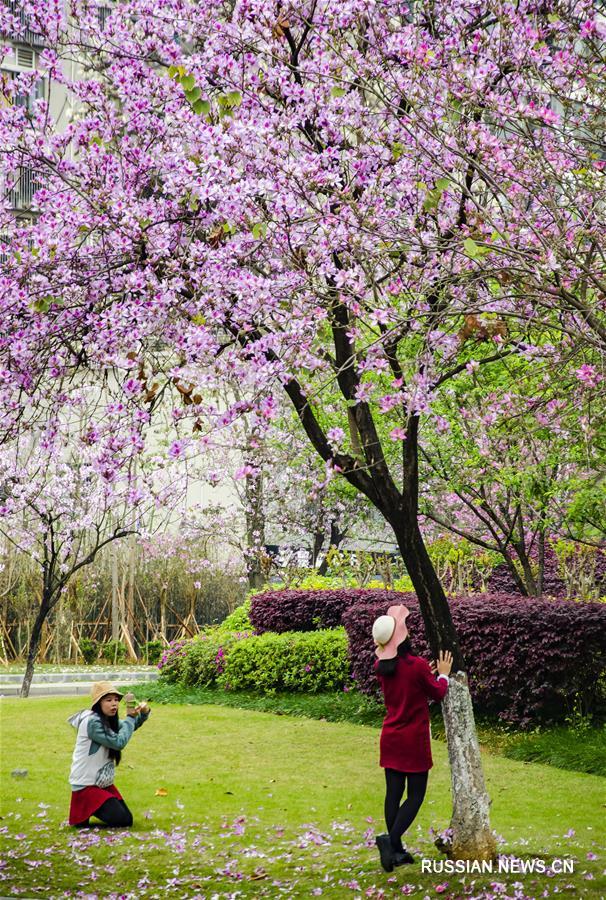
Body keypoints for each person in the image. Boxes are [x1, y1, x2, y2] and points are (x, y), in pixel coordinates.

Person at [372, 605, 453, 872]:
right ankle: (390, 840)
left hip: (391, 736)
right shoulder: (417, 666)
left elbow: (408, 680)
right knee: (416, 796)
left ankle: (395, 852)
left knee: (393, 795)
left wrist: (425, 674)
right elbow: (438, 693)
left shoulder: (382, 665)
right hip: (413, 740)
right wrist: (442, 674)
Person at [68, 680, 150, 828]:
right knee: (123, 820)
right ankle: (89, 810)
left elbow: (128, 728)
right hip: (86, 785)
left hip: (101, 783)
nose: (114, 704)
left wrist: (143, 714)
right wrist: (131, 717)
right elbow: (119, 742)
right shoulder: (93, 723)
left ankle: (93, 811)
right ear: (98, 703)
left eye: (116, 700)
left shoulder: (107, 720)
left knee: (126, 819)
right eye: (108, 700)